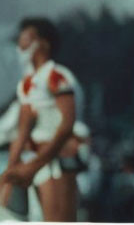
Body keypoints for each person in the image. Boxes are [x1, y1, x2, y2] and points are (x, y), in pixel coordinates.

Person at [0, 18, 90, 222]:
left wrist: (35, 165)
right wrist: (11, 171)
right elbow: (22, 131)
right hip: (34, 159)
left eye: (26, 39)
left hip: (57, 160)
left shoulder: (57, 76)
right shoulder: (26, 84)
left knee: (58, 220)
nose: (20, 46)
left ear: (43, 43)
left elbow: (67, 124)